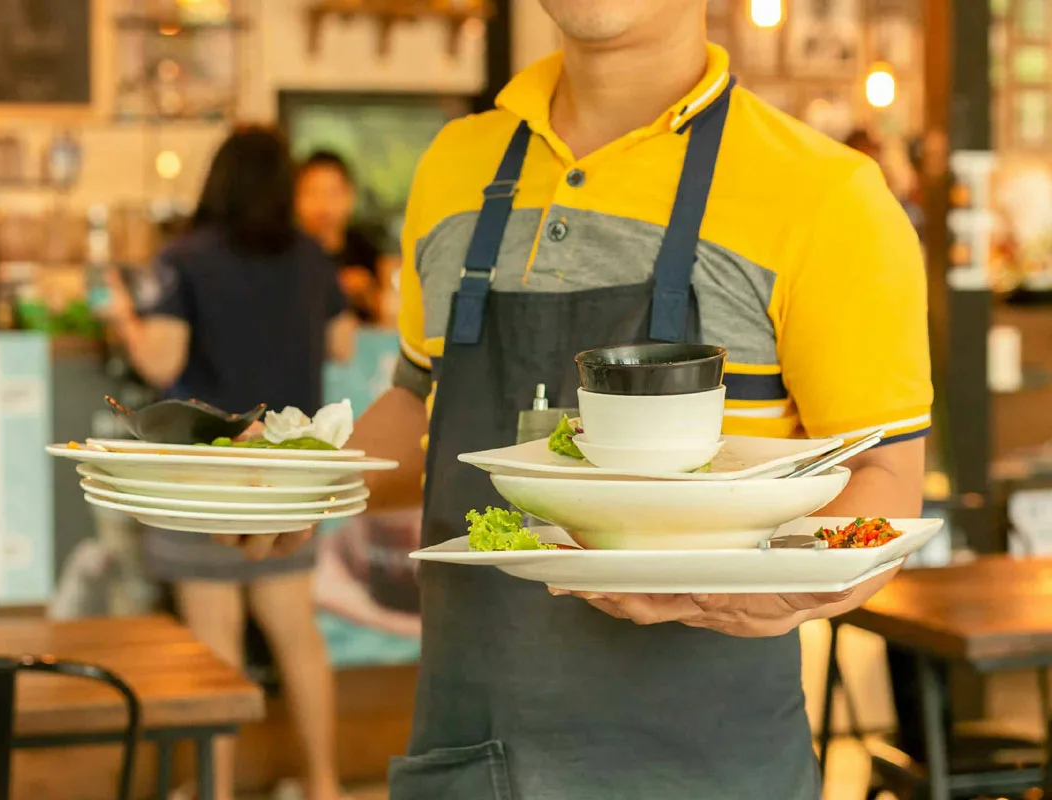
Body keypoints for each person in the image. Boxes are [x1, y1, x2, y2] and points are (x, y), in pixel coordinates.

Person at [231, 1, 932, 797]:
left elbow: (884, 480)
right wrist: (297, 478)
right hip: (469, 758)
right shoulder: (453, 166)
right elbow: (419, 407)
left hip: (706, 768)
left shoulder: (827, 196)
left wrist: (794, 585)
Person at [102, 126, 355, 800]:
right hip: (285, 473)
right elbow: (342, 339)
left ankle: (214, 791)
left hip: (202, 471)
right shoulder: (309, 256)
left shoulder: (183, 257)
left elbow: (159, 360)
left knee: (214, 641)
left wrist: (124, 317)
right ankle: (325, 784)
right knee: (295, 632)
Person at [295, 151, 384, 323]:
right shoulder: (287, 251)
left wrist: (368, 294)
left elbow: (390, 313)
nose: (322, 204)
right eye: (312, 192)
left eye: (332, 193)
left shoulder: (366, 250)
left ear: (350, 197)